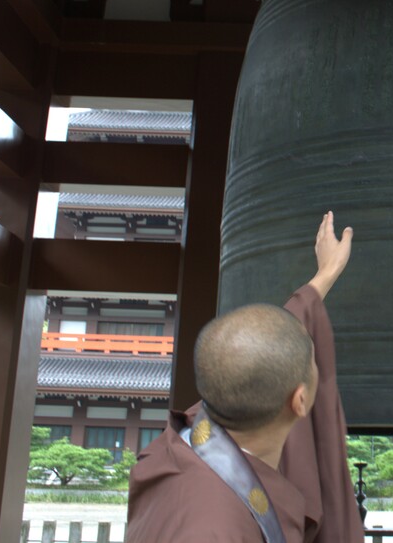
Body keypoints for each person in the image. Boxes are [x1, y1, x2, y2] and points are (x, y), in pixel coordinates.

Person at [127, 212, 363, 543]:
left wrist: (324, 276)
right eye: (313, 361)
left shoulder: (180, 445)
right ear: (299, 400)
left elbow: (260, 352)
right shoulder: (212, 531)